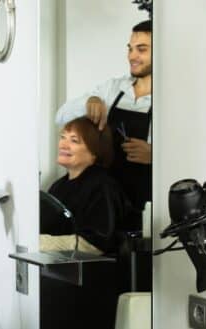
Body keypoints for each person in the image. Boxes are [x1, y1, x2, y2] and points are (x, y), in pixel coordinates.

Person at [55, 20, 152, 212]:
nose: (132, 56)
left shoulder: (172, 99)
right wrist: (90, 101)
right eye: (130, 49)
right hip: (105, 197)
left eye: (141, 49)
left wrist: (154, 156)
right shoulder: (113, 89)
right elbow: (60, 117)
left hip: (145, 199)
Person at [40, 117, 136, 255]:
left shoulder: (103, 187)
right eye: (63, 137)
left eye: (74, 141)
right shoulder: (58, 186)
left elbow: (94, 244)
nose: (63, 145)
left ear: (94, 152)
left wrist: (42, 242)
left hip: (96, 273)